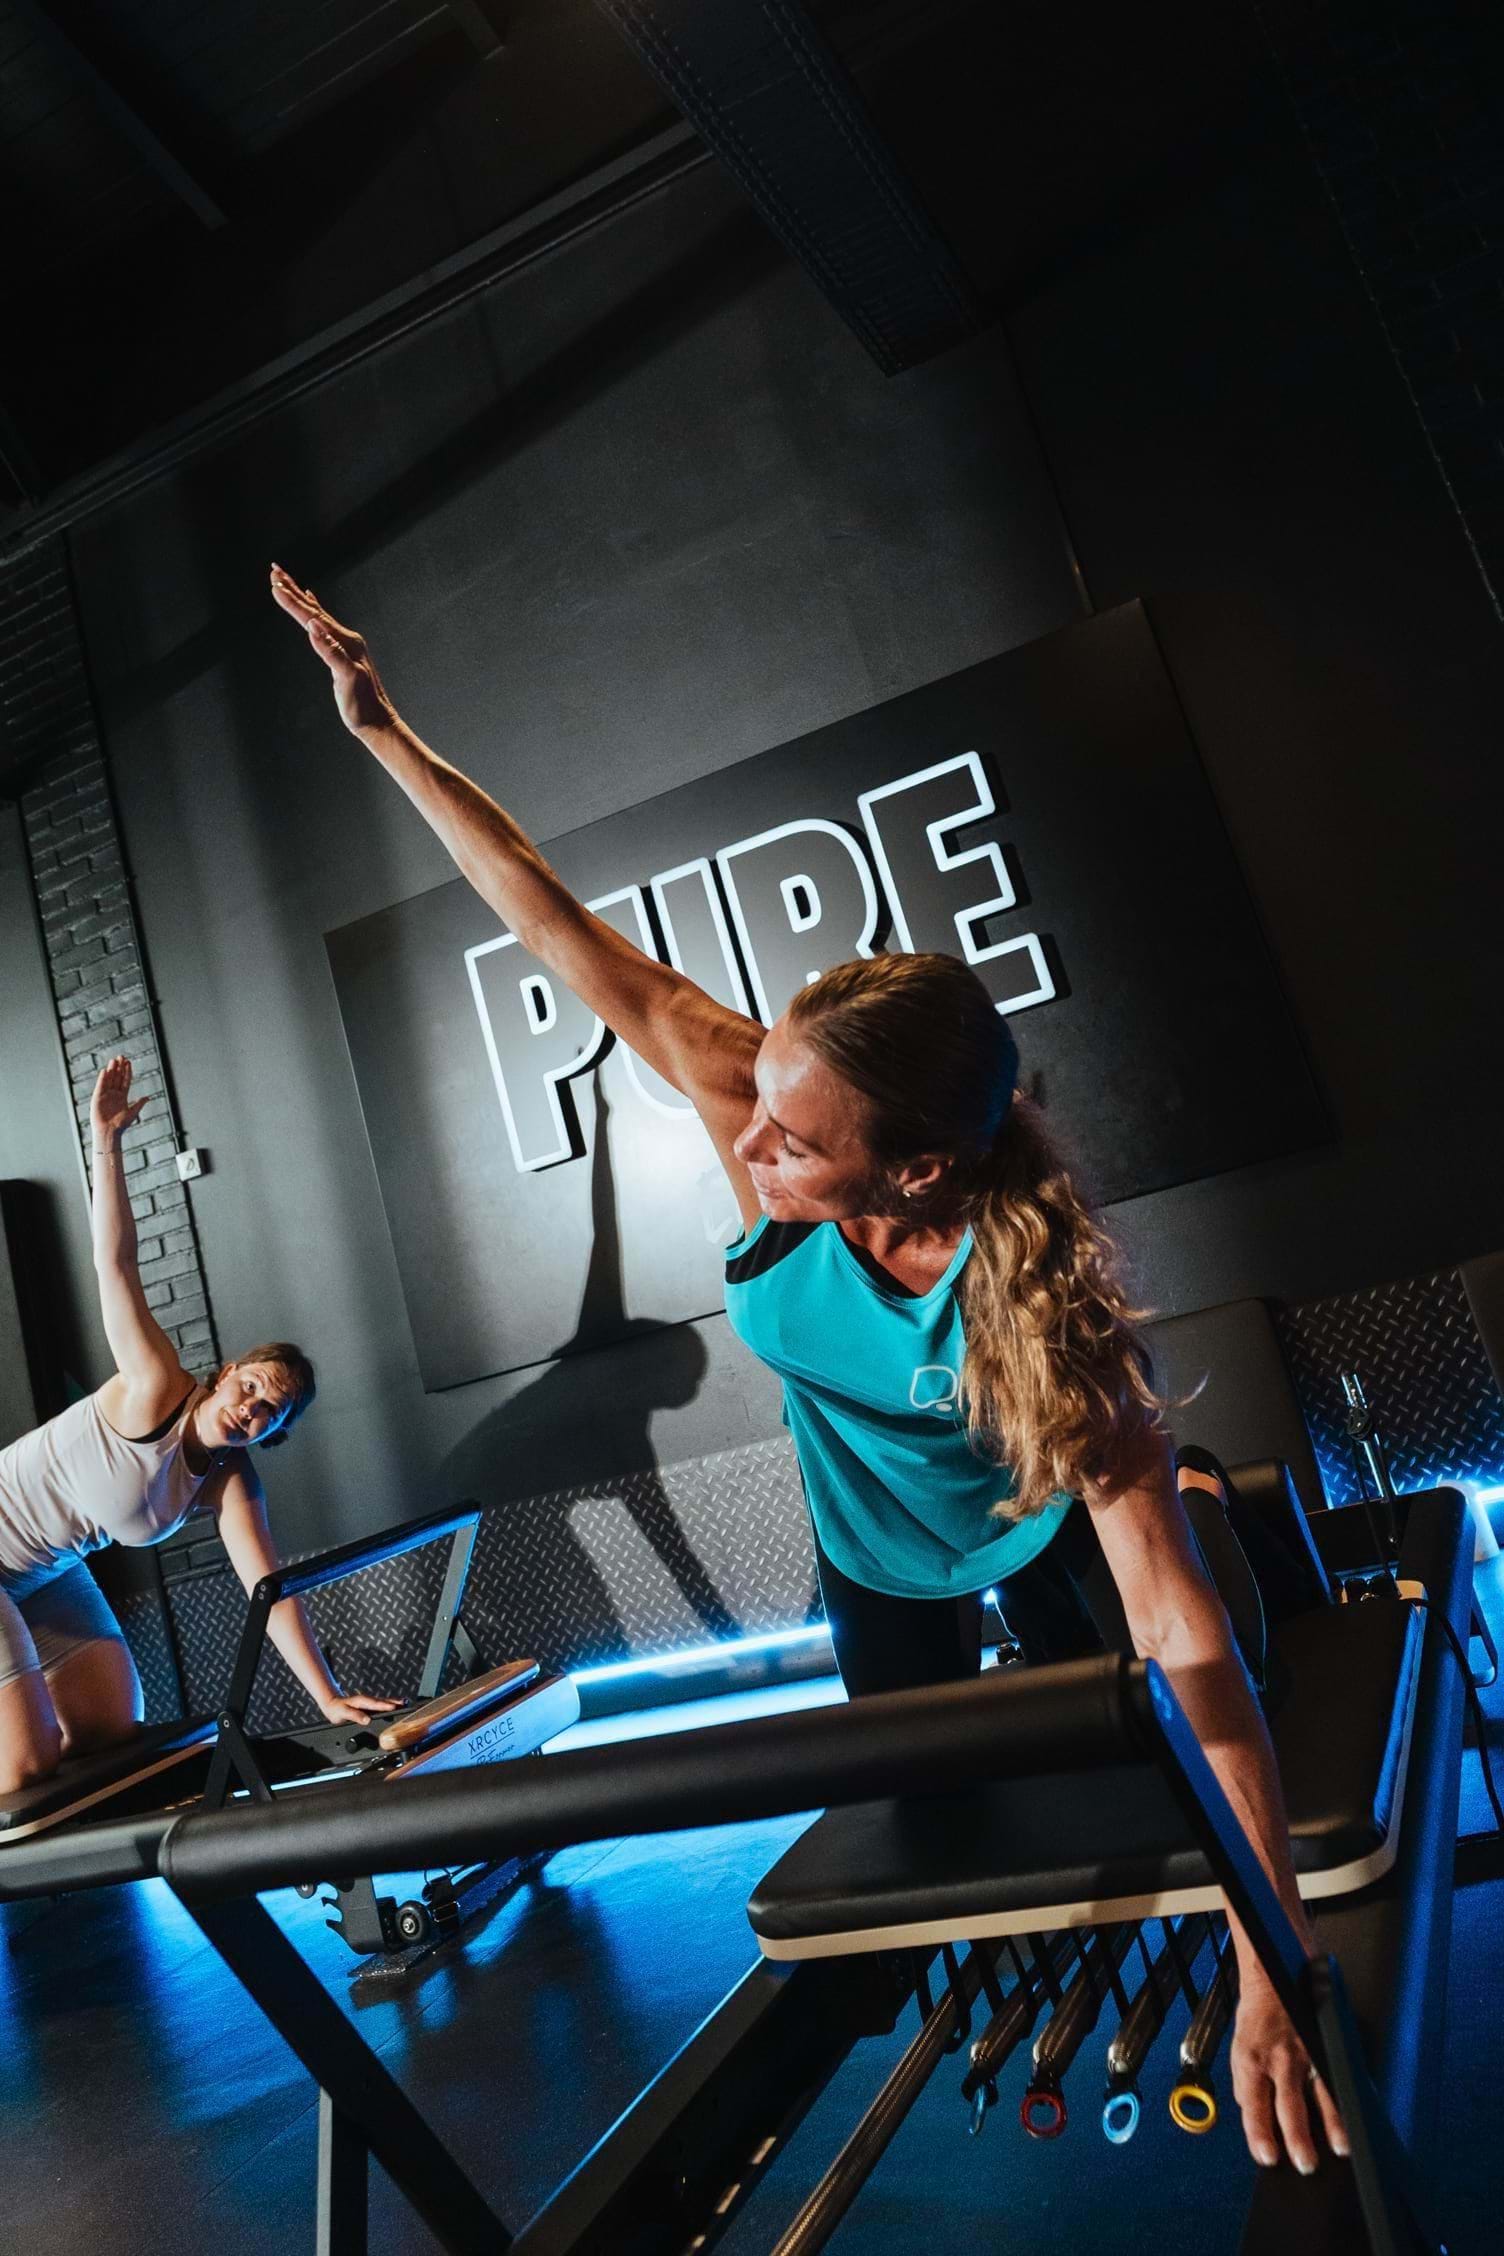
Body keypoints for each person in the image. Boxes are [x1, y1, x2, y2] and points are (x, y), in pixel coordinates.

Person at [271, 562, 1346, 2178]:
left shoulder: (1031, 1307)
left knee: (1153, 1728)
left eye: (791, 1133)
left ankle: (1221, 1495)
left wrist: (1275, 1963)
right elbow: (558, 928)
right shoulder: (757, 1110)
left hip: (1038, 1525)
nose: (744, 1136)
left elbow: (1170, 1632)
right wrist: (383, 730)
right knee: (923, 1827)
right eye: (752, 1099)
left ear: (913, 1170)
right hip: (875, 1555)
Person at [0, 1054, 396, 1796]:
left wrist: (326, 1696)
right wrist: (107, 1141)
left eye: (268, 1411)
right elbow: (114, 1265)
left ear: (269, 1431)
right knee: (25, 1767)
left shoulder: (230, 1480)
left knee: (108, 1732)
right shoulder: (155, 1385)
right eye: (250, 1386)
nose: (250, 1406)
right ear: (225, 1374)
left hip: (44, 1572)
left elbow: (267, 1588)